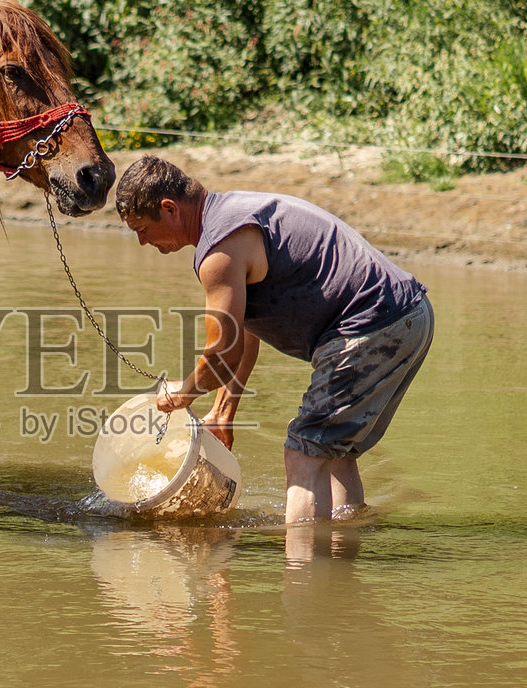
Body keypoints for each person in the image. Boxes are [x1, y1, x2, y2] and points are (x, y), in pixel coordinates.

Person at [115, 155, 433, 524]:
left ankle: (300, 576)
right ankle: (340, 566)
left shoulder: (219, 248)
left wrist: (184, 392)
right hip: (409, 314)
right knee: (334, 452)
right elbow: (246, 331)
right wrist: (222, 411)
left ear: (169, 209)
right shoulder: (230, 214)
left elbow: (220, 354)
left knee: (303, 452)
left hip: (371, 324)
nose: (141, 242)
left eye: (142, 228)